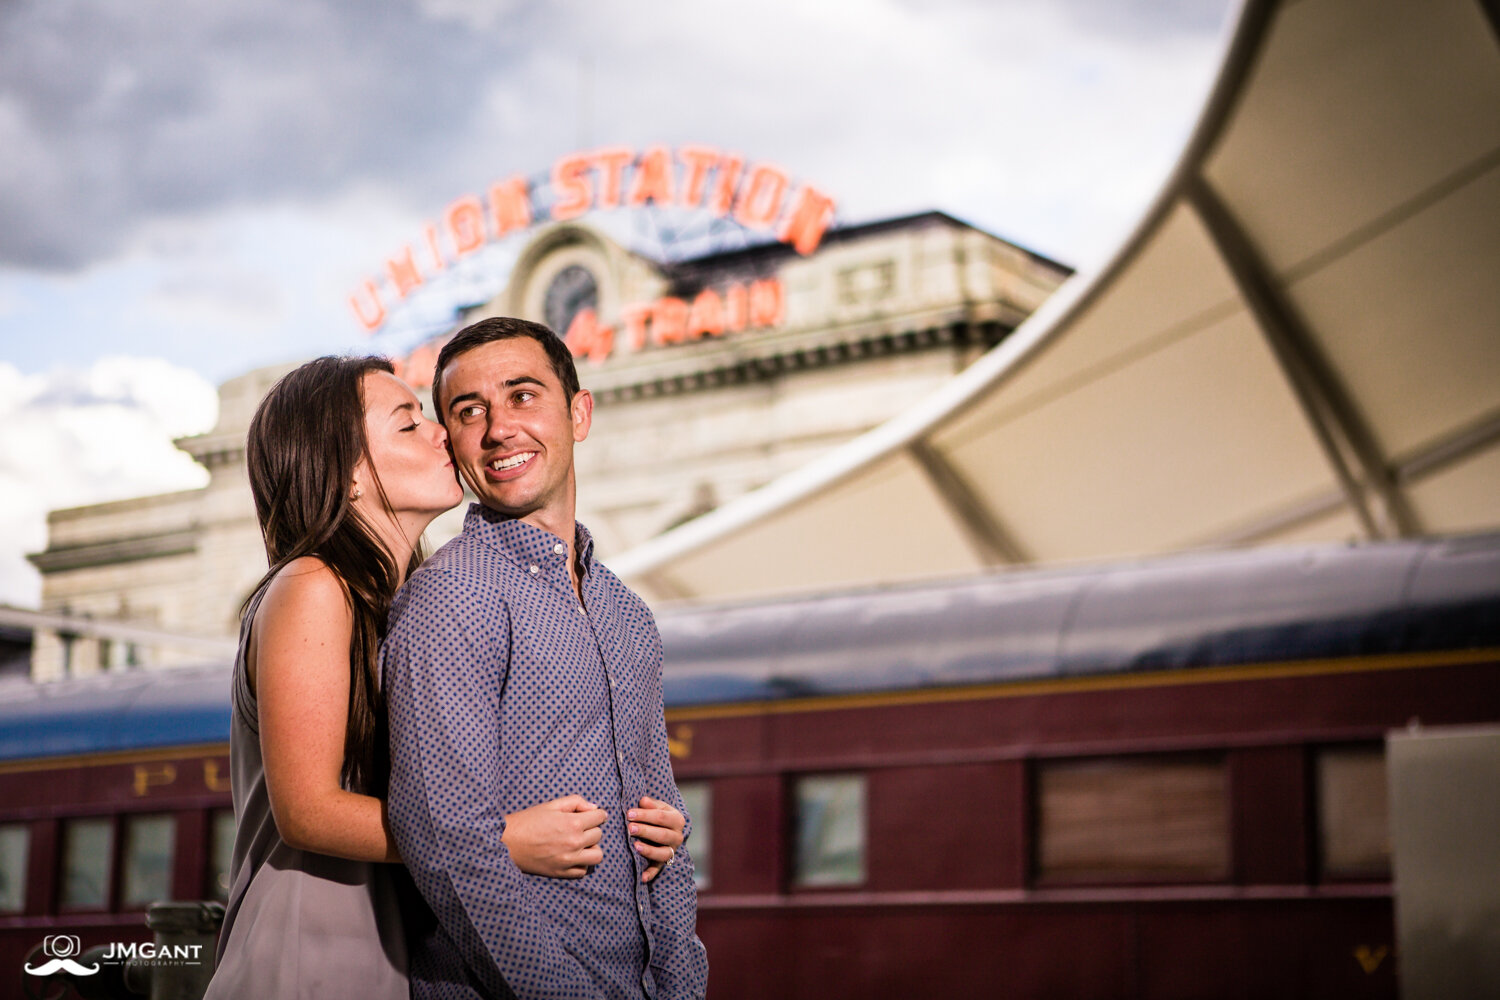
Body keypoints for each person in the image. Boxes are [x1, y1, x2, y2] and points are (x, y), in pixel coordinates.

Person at [207, 356, 680, 998]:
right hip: (316, 943)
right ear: (346, 475)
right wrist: (503, 840)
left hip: (394, 939)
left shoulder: (404, 595)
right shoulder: (313, 586)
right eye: (408, 424)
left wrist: (636, 826)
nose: (441, 434)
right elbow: (308, 812)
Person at [382, 317, 709, 1000]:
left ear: (579, 412)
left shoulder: (628, 615)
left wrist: (681, 989)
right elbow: (450, 846)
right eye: (469, 412)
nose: (500, 428)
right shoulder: (452, 598)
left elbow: (664, 842)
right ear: (452, 442)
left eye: (523, 396)